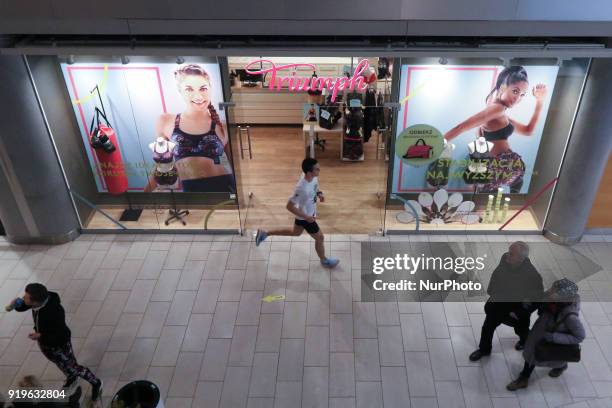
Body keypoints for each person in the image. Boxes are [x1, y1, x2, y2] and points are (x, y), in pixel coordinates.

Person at [444, 66, 547, 193]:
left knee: (487, 201)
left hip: (505, 170)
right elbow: (461, 127)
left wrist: (540, 101)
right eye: (515, 91)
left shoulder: (501, 112)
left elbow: (528, 130)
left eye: (522, 95)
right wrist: (437, 144)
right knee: (485, 200)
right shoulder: (497, 109)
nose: (518, 98)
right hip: (503, 170)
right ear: (503, 87)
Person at [145, 63, 235, 193]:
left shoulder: (222, 126)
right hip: (191, 190)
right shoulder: (166, 121)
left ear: (210, 88)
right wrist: (143, 196)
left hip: (225, 188)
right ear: (180, 90)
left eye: (203, 88)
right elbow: (163, 165)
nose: (198, 96)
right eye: (189, 89)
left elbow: (234, 164)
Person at [7, 283, 102, 402]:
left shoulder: (54, 312)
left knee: (72, 366)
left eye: (26, 297)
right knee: (59, 363)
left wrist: (41, 335)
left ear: (35, 302)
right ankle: (71, 378)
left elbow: (60, 334)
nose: (23, 298)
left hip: (59, 344)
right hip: (46, 342)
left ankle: (96, 382)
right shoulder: (40, 300)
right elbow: (25, 305)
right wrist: (14, 305)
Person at [255, 158, 339, 268]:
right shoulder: (301, 188)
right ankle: (324, 260)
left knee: (295, 232)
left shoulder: (313, 178)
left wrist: (319, 193)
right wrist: (306, 217)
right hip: (306, 218)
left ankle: (264, 234)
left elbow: (315, 186)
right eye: (317, 169)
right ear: (309, 172)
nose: (319, 170)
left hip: (307, 215)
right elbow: (289, 206)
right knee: (320, 238)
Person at [469, 241, 544, 361]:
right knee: (488, 327)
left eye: (511, 254)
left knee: (521, 330)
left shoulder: (532, 275)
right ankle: (484, 349)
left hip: (516, 312)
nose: (507, 255)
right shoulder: (505, 260)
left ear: (520, 258)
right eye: (509, 252)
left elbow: (538, 299)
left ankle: (526, 341)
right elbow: (496, 278)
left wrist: (519, 312)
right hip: (498, 306)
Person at [507, 278, 585, 391]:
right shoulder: (552, 300)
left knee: (552, 358)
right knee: (531, 355)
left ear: (562, 296)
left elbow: (580, 336)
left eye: (554, 290)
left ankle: (559, 367)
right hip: (540, 332)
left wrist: (553, 337)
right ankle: (524, 378)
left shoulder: (570, 316)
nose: (550, 291)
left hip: (551, 339)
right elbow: (537, 300)